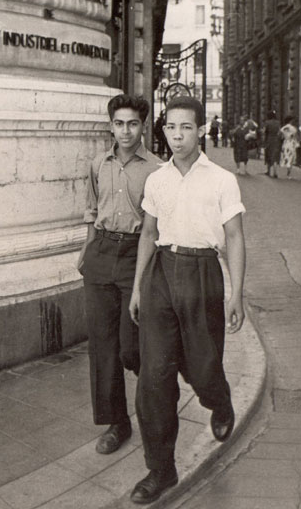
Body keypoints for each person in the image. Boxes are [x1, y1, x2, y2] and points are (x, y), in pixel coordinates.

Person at [128, 95, 246, 505]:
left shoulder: (221, 179)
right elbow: (147, 234)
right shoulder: (157, 179)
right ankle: (161, 470)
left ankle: (219, 400)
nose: (177, 136)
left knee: (203, 367)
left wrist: (237, 294)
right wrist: (139, 287)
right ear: (163, 130)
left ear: (201, 130)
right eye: (171, 128)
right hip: (161, 273)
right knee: (154, 378)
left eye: (187, 128)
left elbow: (233, 237)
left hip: (202, 276)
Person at [78, 94, 161, 455]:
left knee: (132, 347)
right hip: (100, 254)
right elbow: (92, 209)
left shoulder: (157, 170)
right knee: (102, 345)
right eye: (118, 123)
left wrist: (147, 274)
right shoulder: (99, 163)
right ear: (110, 125)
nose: (125, 131)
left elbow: (156, 229)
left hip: (136, 256)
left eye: (132, 124)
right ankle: (117, 422)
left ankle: (154, 408)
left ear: (143, 126)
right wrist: (86, 250)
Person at [263, 110, 281, 178]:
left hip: (269, 140)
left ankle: (268, 171)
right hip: (276, 141)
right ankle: (275, 172)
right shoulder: (278, 123)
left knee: (268, 155)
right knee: (275, 156)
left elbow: (264, 131)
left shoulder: (267, 122)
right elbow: (279, 132)